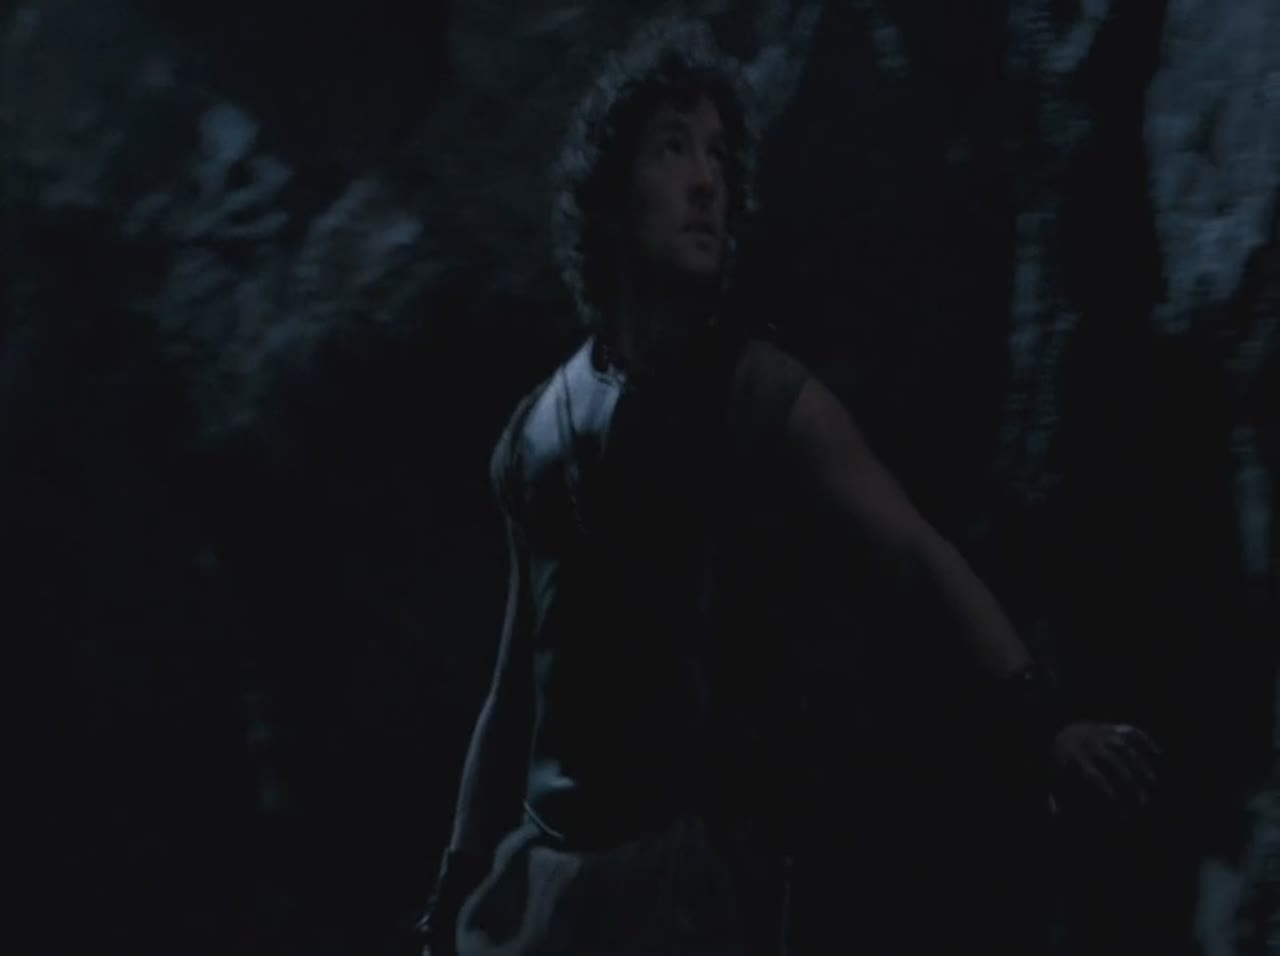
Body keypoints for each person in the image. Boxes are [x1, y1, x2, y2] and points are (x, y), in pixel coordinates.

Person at [418, 18, 1160, 956]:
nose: (707, 182)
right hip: (547, 887)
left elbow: (913, 554)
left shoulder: (756, 394)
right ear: (611, 193)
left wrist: (1042, 726)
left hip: (691, 881)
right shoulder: (534, 432)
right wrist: (459, 881)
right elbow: (515, 687)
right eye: (673, 148)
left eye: (719, 157)